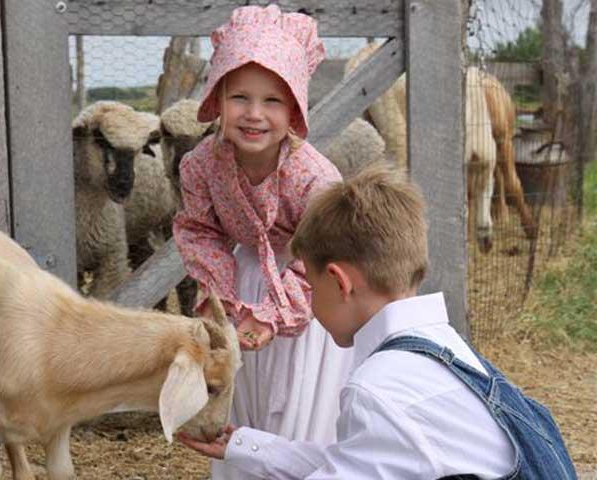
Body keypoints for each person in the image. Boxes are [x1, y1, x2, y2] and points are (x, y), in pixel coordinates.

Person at [178, 163, 578, 479]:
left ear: (338, 282)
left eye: (312, 289)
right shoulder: (444, 350)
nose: (313, 304)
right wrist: (244, 446)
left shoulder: (378, 388)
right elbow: (355, 462)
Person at [171, 5, 355, 479]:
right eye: (240, 98)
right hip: (242, 280)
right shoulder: (202, 165)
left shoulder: (312, 176)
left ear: (294, 109)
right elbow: (199, 230)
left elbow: (327, 253)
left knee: (295, 398)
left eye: (273, 101)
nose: (254, 115)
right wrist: (224, 297)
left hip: (309, 291)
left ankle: (294, 465)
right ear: (217, 99)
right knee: (244, 389)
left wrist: (276, 315)